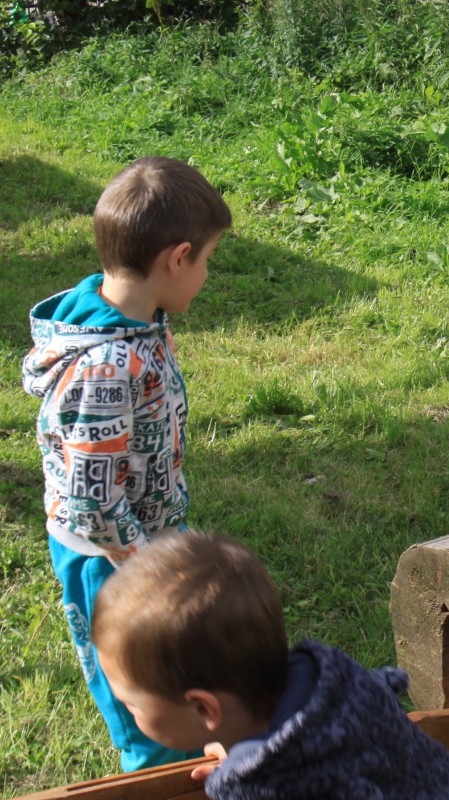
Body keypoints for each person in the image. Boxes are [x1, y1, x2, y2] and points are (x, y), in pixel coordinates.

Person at [20, 156, 231, 771]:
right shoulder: (106, 367)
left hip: (144, 540)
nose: (207, 275)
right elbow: (92, 503)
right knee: (146, 704)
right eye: (207, 260)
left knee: (182, 677)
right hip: (111, 561)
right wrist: (148, 567)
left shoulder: (137, 322)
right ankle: (156, 778)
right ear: (177, 258)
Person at [90, 531, 449, 800]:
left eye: (131, 703)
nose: (125, 709)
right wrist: (242, 757)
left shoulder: (270, 786)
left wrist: (247, 778)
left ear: (204, 709)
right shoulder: (333, 678)